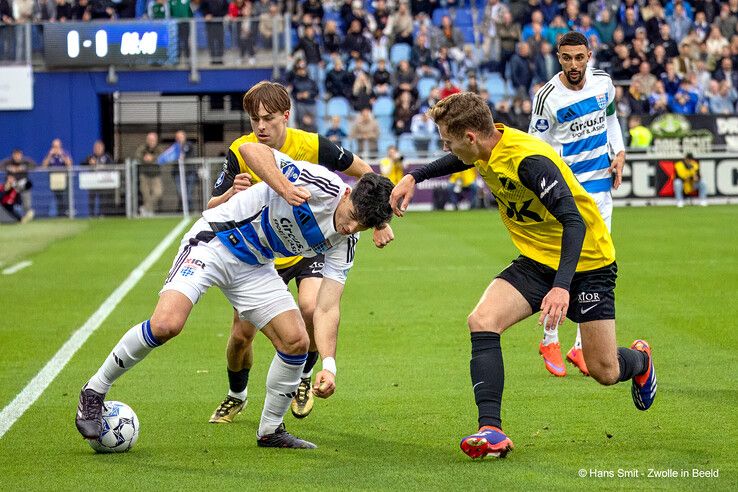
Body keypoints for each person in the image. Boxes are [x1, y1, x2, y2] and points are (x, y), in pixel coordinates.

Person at [390, 92, 656, 459]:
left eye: (447, 140)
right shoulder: (483, 148)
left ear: (470, 136)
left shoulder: (528, 160)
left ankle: (641, 360)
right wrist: (414, 176)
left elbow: (574, 222)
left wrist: (562, 288)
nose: (445, 146)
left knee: (604, 370)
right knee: (482, 320)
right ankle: (491, 430)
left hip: (588, 262)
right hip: (535, 260)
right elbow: (458, 160)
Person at [76, 143, 394, 449]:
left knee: (296, 339)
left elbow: (326, 307)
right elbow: (250, 151)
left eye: (362, 226)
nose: (351, 227)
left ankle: (270, 431)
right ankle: (95, 390)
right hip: (215, 241)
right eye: (352, 216)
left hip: (255, 266)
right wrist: (283, 186)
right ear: (348, 194)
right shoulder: (320, 183)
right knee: (166, 325)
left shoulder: (346, 242)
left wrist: (329, 364)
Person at [207, 81, 394, 424]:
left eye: (268, 118)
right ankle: (237, 394)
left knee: (311, 308)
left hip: (310, 246)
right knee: (239, 337)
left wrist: (379, 221)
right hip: (260, 253)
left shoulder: (310, 145)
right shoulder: (241, 149)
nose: (260, 126)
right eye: (254, 119)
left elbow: (364, 172)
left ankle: (302, 378)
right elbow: (211, 205)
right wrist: (229, 196)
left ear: (286, 116)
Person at [529, 32, 626, 377]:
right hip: (569, 195)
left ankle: (580, 347)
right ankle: (549, 337)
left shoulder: (603, 84)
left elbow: (611, 118)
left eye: (579, 58)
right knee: (564, 263)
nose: (574, 64)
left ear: (589, 56)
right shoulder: (547, 98)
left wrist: (619, 152)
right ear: (558, 57)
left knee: (599, 264)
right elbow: (536, 150)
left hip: (601, 189)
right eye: (567, 58)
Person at [41, 138, 73, 217]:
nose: (55, 148)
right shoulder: (50, 155)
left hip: (64, 178)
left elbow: (69, 165)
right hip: (53, 179)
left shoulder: (65, 153)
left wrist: (62, 155)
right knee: (57, 198)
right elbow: (44, 166)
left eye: (57, 146)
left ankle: (66, 213)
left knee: (65, 197)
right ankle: (59, 214)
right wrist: (49, 155)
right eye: (54, 146)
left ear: (60, 146)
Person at [1, 149, 35, 221]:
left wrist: (22, 168)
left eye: (19, 155)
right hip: (11, 186)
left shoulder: (25, 161)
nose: (17, 157)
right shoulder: (8, 162)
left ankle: (27, 213)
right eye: (15, 155)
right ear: (13, 155)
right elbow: (1, 166)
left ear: (21, 155)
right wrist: (10, 169)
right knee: (6, 201)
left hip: (22, 185)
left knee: (26, 200)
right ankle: (18, 217)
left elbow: (33, 165)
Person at [83, 140, 114, 217]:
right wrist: (89, 162)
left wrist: (97, 164)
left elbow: (112, 166)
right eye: (96, 148)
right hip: (93, 182)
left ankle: (102, 214)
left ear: (103, 148)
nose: (97, 149)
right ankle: (91, 215)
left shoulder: (107, 157)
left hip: (103, 182)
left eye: (99, 147)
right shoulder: (90, 157)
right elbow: (83, 163)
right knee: (91, 198)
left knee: (103, 199)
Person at [135, 132, 163, 217]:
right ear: (147, 140)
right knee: (145, 195)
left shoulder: (159, 149)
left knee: (158, 193)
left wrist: (152, 158)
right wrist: (144, 158)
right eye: (150, 140)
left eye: (153, 140)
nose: (151, 141)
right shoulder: (142, 148)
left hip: (156, 175)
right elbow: (137, 156)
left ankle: (145, 208)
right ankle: (149, 211)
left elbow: (162, 157)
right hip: (144, 175)